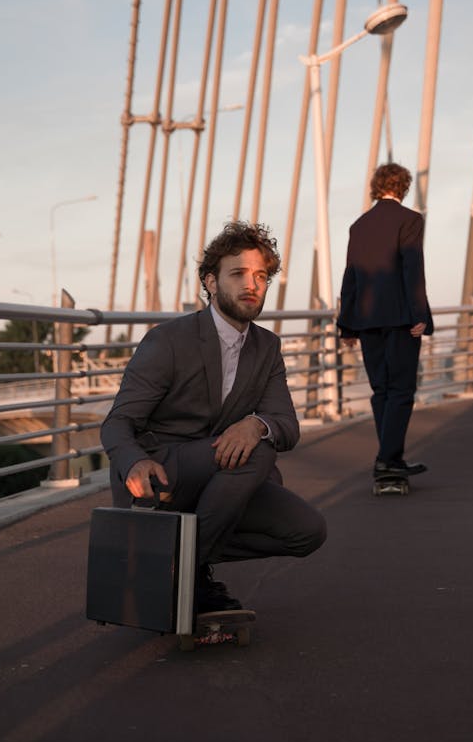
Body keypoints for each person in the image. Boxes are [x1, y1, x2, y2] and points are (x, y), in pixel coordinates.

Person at [101, 220, 326, 613]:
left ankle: (177, 566)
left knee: (307, 531)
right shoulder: (169, 340)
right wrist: (134, 462)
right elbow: (118, 422)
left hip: (223, 481)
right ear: (210, 281)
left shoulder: (266, 347)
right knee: (257, 452)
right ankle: (185, 575)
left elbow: (286, 425)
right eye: (237, 273)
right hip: (163, 473)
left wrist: (256, 423)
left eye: (261, 276)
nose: (251, 285)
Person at [337, 162, 433, 478]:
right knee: (402, 389)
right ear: (403, 187)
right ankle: (388, 459)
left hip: (366, 319)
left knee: (381, 390)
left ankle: (389, 456)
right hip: (401, 318)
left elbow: (350, 275)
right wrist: (420, 314)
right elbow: (412, 269)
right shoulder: (410, 220)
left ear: (376, 187)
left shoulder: (359, 226)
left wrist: (347, 324)